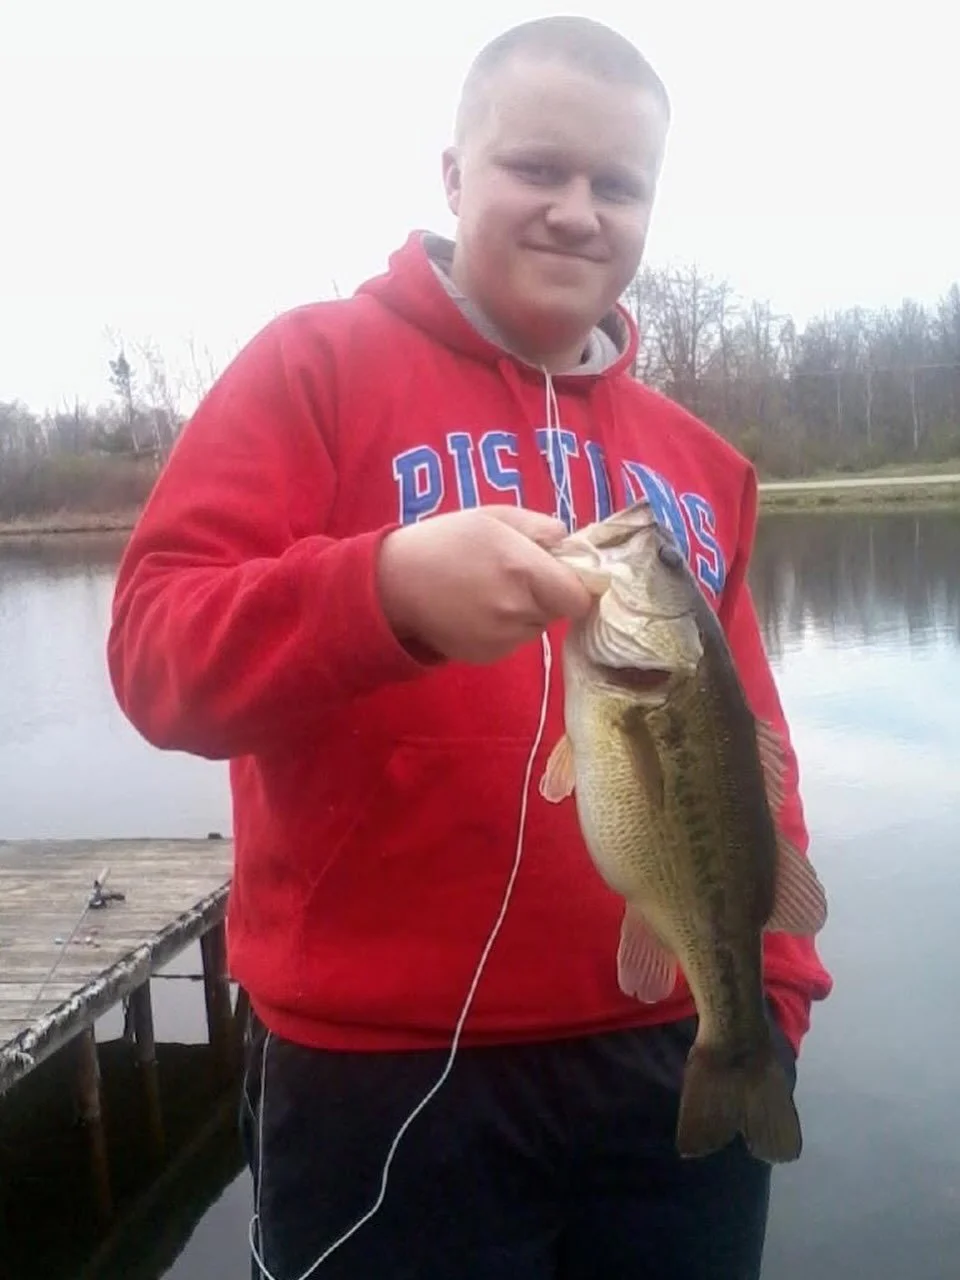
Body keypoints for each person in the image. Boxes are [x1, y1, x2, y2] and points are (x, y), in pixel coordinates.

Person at [107, 15, 833, 1280]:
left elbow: (747, 754)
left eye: (617, 184)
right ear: (452, 174)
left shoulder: (702, 464)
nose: (576, 210)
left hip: (677, 1048)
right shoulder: (313, 369)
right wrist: (381, 592)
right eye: (535, 167)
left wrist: (770, 996)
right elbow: (154, 657)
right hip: (382, 1075)